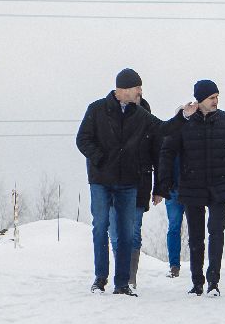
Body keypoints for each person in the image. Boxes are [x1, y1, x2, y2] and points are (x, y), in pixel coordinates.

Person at [76, 68, 162, 296]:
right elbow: (82, 139)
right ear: (123, 89)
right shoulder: (96, 109)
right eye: (138, 88)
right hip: (101, 180)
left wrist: (184, 116)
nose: (140, 92)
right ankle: (100, 278)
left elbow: (162, 130)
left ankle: (122, 283)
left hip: (128, 181)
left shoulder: (139, 114)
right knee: (100, 226)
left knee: (126, 232)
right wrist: (100, 159)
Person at [157, 80, 225, 296]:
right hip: (191, 185)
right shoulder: (184, 122)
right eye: (211, 98)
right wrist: (164, 183)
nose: (215, 101)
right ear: (200, 100)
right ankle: (197, 281)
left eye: (217, 97)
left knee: (216, 231)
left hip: (220, 184)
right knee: (196, 236)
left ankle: (213, 281)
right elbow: (167, 152)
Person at [107, 95, 160, 288]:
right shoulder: (111, 117)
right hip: (112, 182)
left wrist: (159, 187)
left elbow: (158, 155)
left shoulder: (148, 120)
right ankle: (122, 270)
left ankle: (129, 277)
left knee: (133, 230)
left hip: (140, 182)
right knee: (114, 231)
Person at [163, 106, 185, 278]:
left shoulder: (195, 138)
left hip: (191, 190)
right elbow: (163, 163)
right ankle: (174, 265)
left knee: (194, 228)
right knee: (174, 227)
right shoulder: (168, 139)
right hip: (173, 190)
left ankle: (195, 264)